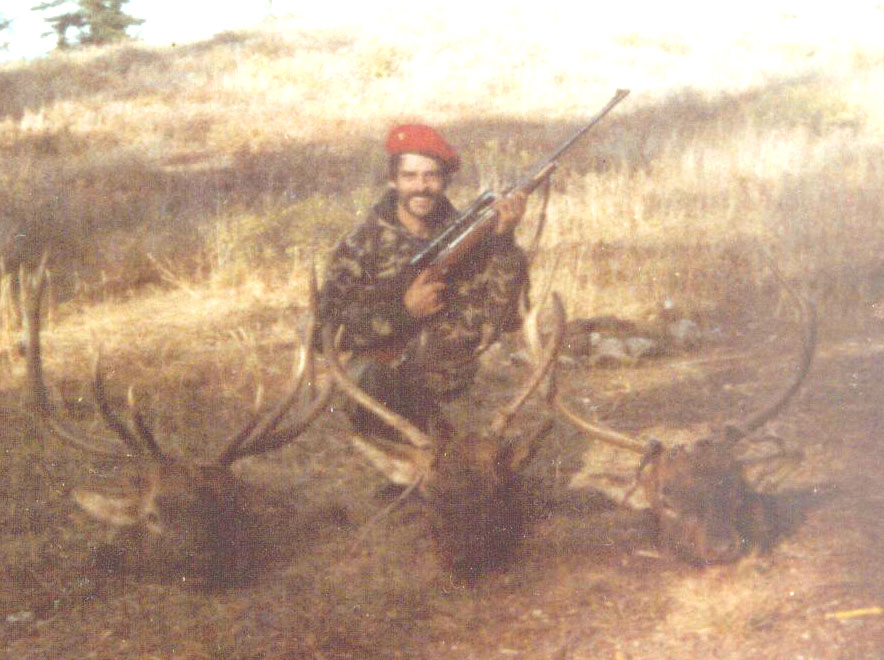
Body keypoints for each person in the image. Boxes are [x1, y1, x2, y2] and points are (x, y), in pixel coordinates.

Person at [317, 124, 529, 439]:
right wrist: (403, 311)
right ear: (392, 180)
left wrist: (503, 239)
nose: (422, 186)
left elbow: (508, 315)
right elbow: (325, 334)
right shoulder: (360, 245)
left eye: (431, 176)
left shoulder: (469, 236)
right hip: (382, 386)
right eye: (410, 176)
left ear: (444, 181)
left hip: (454, 389)